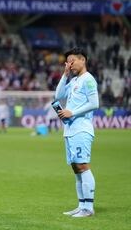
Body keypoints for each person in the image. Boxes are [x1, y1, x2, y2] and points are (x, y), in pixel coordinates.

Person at [55, 48, 99, 217]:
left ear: (82, 60)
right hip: (70, 130)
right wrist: (65, 74)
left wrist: (72, 112)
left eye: (72, 61)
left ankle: (88, 208)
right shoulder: (73, 81)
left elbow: (94, 103)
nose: (70, 64)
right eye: (67, 62)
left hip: (81, 128)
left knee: (82, 166)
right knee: (76, 168)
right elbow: (58, 95)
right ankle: (81, 205)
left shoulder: (88, 80)